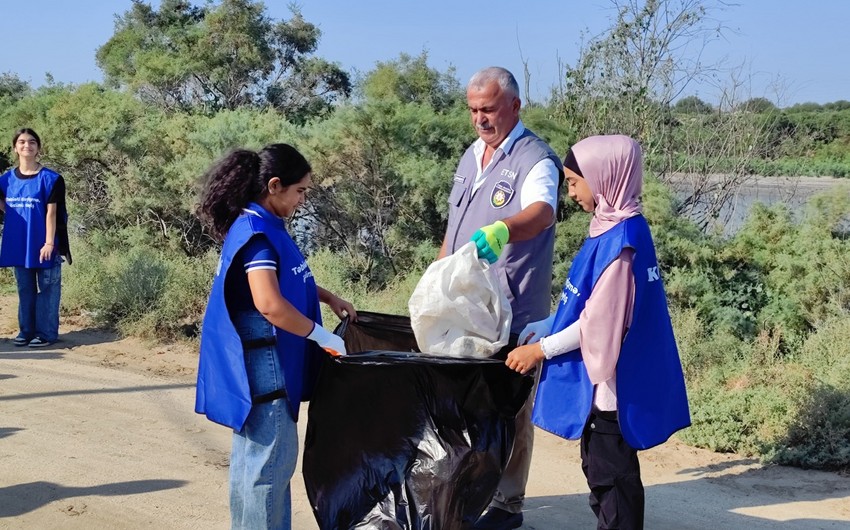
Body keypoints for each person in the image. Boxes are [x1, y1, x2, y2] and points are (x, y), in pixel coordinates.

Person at [505, 135, 691, 529]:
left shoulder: (623, 245)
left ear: (604, 177)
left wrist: (541, 351)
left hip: (613, 390)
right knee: (600, 472)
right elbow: (585, 303)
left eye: (574, 181)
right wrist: (542, 326)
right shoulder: (613, 226)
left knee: (612, 481)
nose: (569, 192)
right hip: (603, 387)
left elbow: (598, 325)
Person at [193, 143, 357, 530]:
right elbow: (269, 303)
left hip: (262, 359)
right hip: (265, 360)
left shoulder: (259, 223)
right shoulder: (258, 234)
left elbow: (284, 281)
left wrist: (327, 296)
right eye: (300, 191)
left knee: (255, 462)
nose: (302, 200)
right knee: (270, 463)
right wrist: (321, 337)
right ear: (274, 185)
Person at [438, 66, 562, 530]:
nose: (479, 120)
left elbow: (543, 213)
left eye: (488, 109)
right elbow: (453, 228)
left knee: (511, 411)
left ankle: (507, 503)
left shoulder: (536, 159)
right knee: (464, 405)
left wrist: (505, 227)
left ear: (514, 106)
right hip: (465, 309)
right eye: (473, 111)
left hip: (514, 311)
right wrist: (436, 275)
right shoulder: (472, 156)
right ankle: (466, 492)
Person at [0, 128, 71, 348]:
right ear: (15, 148)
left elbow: (52, 213)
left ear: (38, 148)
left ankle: (46, 333)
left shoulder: (51, 179)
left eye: (32, 142)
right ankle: (26, 331)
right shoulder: (6, 180)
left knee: (48, 290)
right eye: (21, 142)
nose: (26, 146)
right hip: (19, 245)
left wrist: (49, 243)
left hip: (44, 245)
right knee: (25, 290)